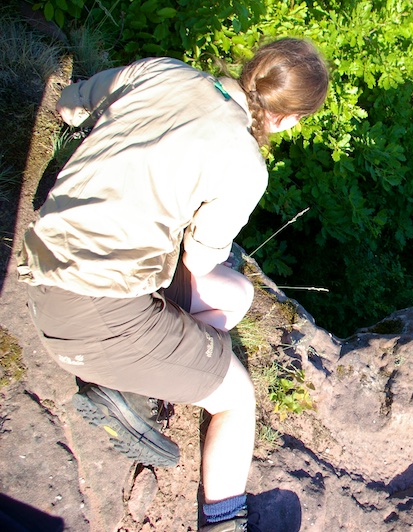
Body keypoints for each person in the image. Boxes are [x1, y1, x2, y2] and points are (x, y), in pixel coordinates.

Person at [17, 38, 329, 531]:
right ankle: (224, 522)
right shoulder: (246, 163)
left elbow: (69, 105)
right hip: (89, 314)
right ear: (289, 119)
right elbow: (201, 259)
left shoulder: (162, 70)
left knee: (238, 295)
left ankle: (142, 375)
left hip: (50, 265)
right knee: (236, 399)